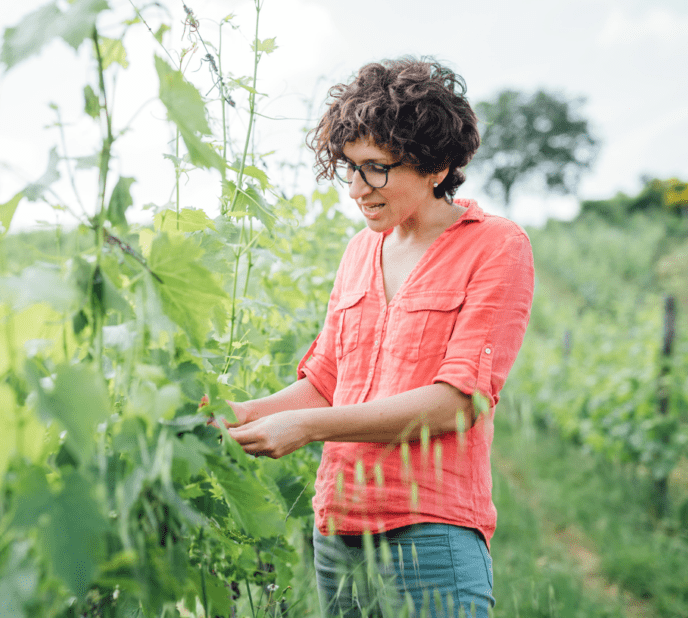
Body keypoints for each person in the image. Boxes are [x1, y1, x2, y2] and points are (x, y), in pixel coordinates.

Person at [222, 58, 535, 617]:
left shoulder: (496, 247)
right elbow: (326, 382)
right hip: (338, 534)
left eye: (375, 168)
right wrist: (241, 412)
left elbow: (456, 404)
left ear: (437, 165)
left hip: (430, 533)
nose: (356, 189)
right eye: (349, 168)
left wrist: (308, 429)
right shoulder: (360, 251)